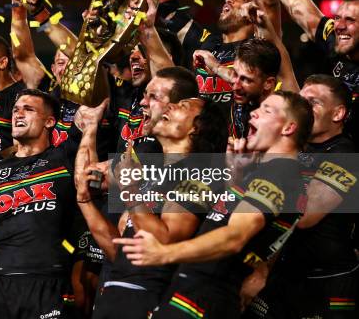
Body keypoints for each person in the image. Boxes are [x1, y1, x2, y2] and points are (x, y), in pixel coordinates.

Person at [115, 91, 314, 318]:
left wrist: (164, 253)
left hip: (203, 299)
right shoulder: (270, 174)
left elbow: (235, 236)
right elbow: (236, 224)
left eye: (267, 110)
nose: (254, 113)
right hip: (198, 294)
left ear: (288, 128)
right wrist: (236, 180)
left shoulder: (281, 172)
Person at [74, 92, 227, 318]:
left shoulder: (199, 173)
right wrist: (85, 202)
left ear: (196, 128)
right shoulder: (152, 176)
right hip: (114, 296)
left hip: (152, 298)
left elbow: (164, 238)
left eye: (182, 105)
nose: (170, 106)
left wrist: (127, 186)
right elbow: (120, 251)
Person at [0, 89, 80, 319]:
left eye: (28, 109)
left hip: (51, 281)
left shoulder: (66, 158)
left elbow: (115, 161)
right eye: (15, 110)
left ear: (50, 121)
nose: (18, 114)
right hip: (0, 284)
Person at [243, 74, 357, 319]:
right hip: (284, 273)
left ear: (337, 114)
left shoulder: (344, 154)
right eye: (300, 101)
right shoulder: (295, 148)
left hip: (325, 282)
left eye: (313, 102)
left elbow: (305, 216)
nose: (303, 108)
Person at [242, 0, 359, 145]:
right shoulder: (335, 39)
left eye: (351, 20)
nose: (340, 26)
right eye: (337, 18)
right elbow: (295, 1)